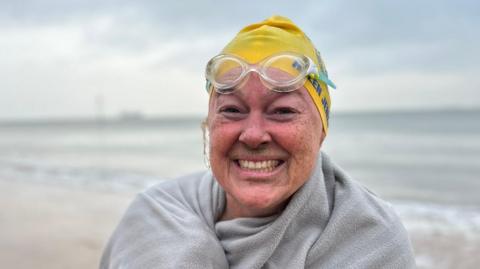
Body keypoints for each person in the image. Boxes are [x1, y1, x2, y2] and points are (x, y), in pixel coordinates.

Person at [100, 15, 416, 268]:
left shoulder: (370, 239)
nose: (253, 135)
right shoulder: (156, 213)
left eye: (282, 111)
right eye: (232, 110)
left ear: (321, 130)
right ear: (209, 126)